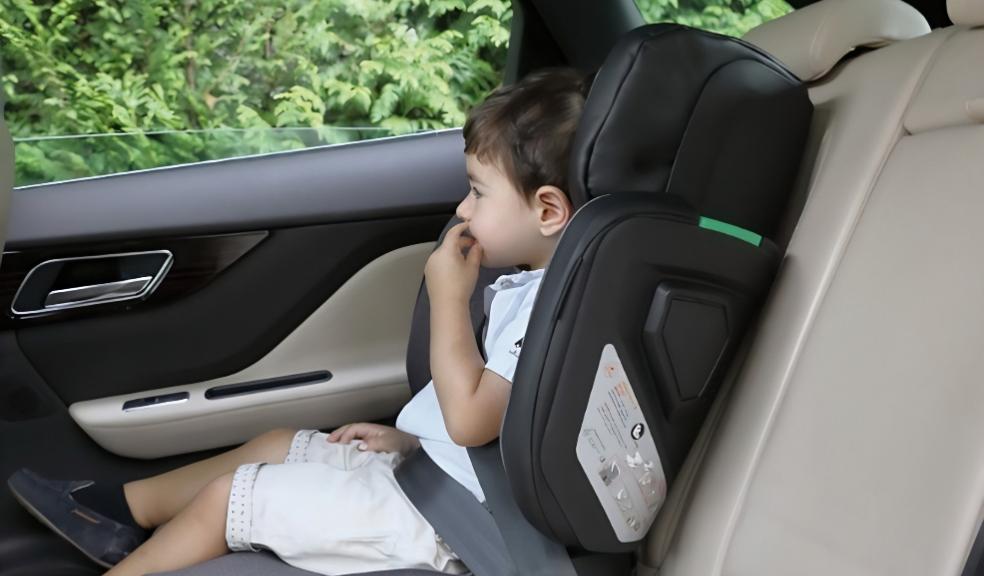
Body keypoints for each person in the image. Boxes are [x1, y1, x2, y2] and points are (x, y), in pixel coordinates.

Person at [6, 67, 593, 576]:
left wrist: (447, 298)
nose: (462, 210)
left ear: (547, 209)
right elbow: (508, 423)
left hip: (453, 520)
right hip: (439, 477)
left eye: (477, 193)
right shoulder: (536, 286)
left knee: (232, 496)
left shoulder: (553, 305)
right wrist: (411, 440)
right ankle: (117, 511)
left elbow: (470, 420)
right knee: (275, 444)